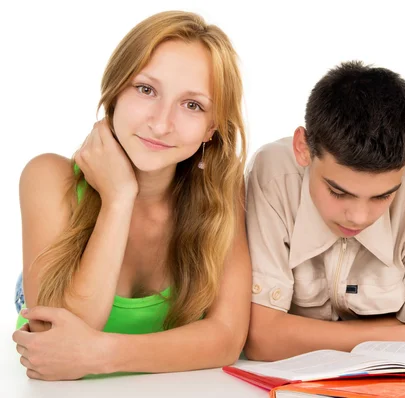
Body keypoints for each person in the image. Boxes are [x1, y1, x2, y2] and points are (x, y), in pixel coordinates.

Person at [11, 10, 251, 380]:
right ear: (115, 91)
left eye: (192, 105)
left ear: (211, 129)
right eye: (145, 89)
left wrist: (102, 354)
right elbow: (53, 340)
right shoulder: (47, 177)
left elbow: (226, 339)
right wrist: (119, 198)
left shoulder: (221, 192)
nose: (160, 122)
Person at [244, 61, 405, 361]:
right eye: (338, 192)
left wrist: (294, 333)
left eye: (383, 196)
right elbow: (262, 339)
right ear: (303, 148)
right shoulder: (273, 174)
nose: (359, 217)